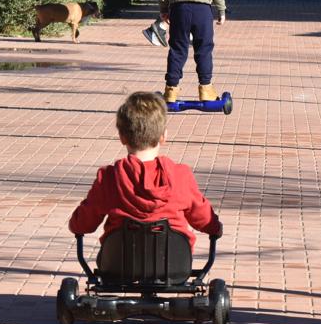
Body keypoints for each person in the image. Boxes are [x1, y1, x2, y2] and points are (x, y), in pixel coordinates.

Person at [69, 91, 223, 252]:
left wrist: (75, 224)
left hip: (119, 264)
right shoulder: (180, 176)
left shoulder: (109, 178)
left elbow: (83, 224)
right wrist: (216, 228)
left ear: (122, 137)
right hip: (173, 264)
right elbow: (203, 218)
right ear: (163, 137)